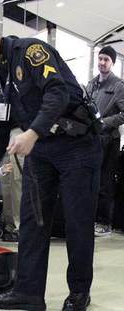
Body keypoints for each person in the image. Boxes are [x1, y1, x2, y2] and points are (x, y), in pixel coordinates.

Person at [0, 21, 101, 311]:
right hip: (42, 151)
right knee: (33, 223)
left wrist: (32, 132)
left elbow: (57, 93)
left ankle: (78, 293)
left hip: (77, 145)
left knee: (77, 223)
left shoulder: (31, 52)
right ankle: (29, 292)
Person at [86, 46, 124, 237]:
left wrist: (104, 123)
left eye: (106, 59)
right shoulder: (91, 85)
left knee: (105, 182)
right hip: (92, 139)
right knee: (91, 181)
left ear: (113, 62)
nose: (102, 62)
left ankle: (104, 222)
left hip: (109, 140)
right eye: (100, 58)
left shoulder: (118, 86)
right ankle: (92, 219)